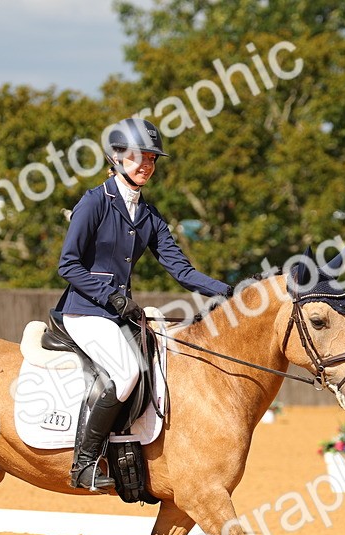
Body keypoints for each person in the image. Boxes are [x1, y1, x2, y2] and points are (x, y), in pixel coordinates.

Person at [55, 117, 233, 491]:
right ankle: (84, 464)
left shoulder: (149, 216)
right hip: (85, 310)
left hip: (118, 313)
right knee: (126, 373)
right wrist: (112, 296)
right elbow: (68, 264)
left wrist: (230, 291)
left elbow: (182, 271)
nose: (147, 165)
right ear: (117, 158)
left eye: (152, 159)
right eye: (139, 157)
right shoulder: (93, 202)